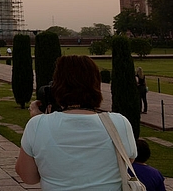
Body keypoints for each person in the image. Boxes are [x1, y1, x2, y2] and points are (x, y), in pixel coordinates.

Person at [15, 55, 137, 190]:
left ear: (56, 86)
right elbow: (126, 164)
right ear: (96, 84)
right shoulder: (119, 123)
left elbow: (28, 177)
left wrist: (39, 122)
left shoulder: (37, 125)